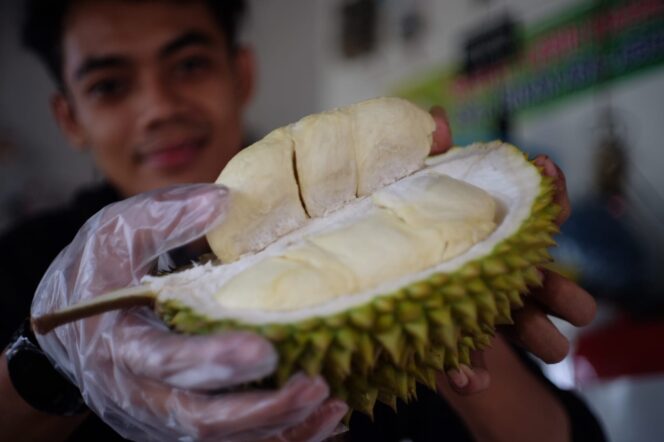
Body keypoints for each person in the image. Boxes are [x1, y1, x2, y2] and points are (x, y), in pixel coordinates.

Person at [0, 0, 605, 441]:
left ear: (241, 75)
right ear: (69, 117)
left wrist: (471, 319)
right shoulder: (25, 260)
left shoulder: (366, 175)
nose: (159, 108)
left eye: (188, 66)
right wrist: (49, 361)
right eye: (109, 85)